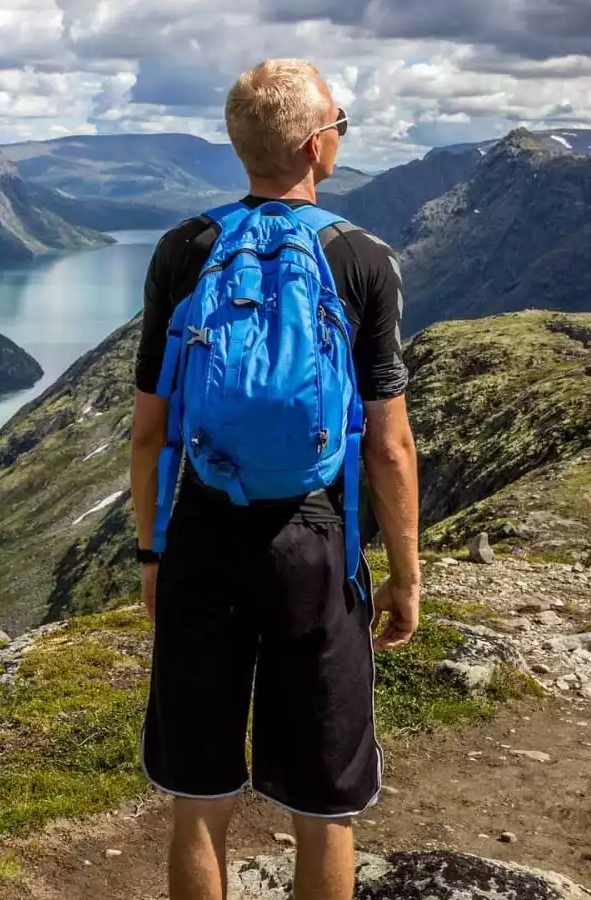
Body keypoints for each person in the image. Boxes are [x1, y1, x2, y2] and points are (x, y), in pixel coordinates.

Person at [129, 58, 422, 900]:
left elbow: (151, 432)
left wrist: (152, 556)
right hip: (315, 543)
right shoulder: (362, 258)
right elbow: (390, 446)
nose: (341, 135)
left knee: (200, 797)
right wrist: (404, 576)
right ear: (313, 146)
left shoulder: (185, 249)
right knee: (325, 807)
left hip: (203, 538)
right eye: (340, 123)